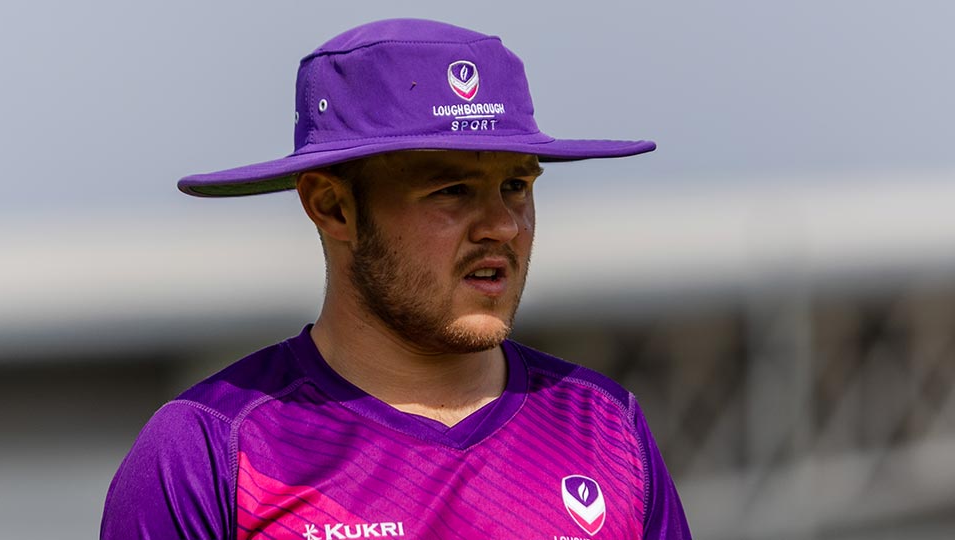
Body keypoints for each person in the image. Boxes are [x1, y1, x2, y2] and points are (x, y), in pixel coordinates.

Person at [101, 18, 691, 540]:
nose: (503, 226)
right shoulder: (210, 451)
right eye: (450, 190)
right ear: (333, 207)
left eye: (517, 185)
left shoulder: (607, 427)